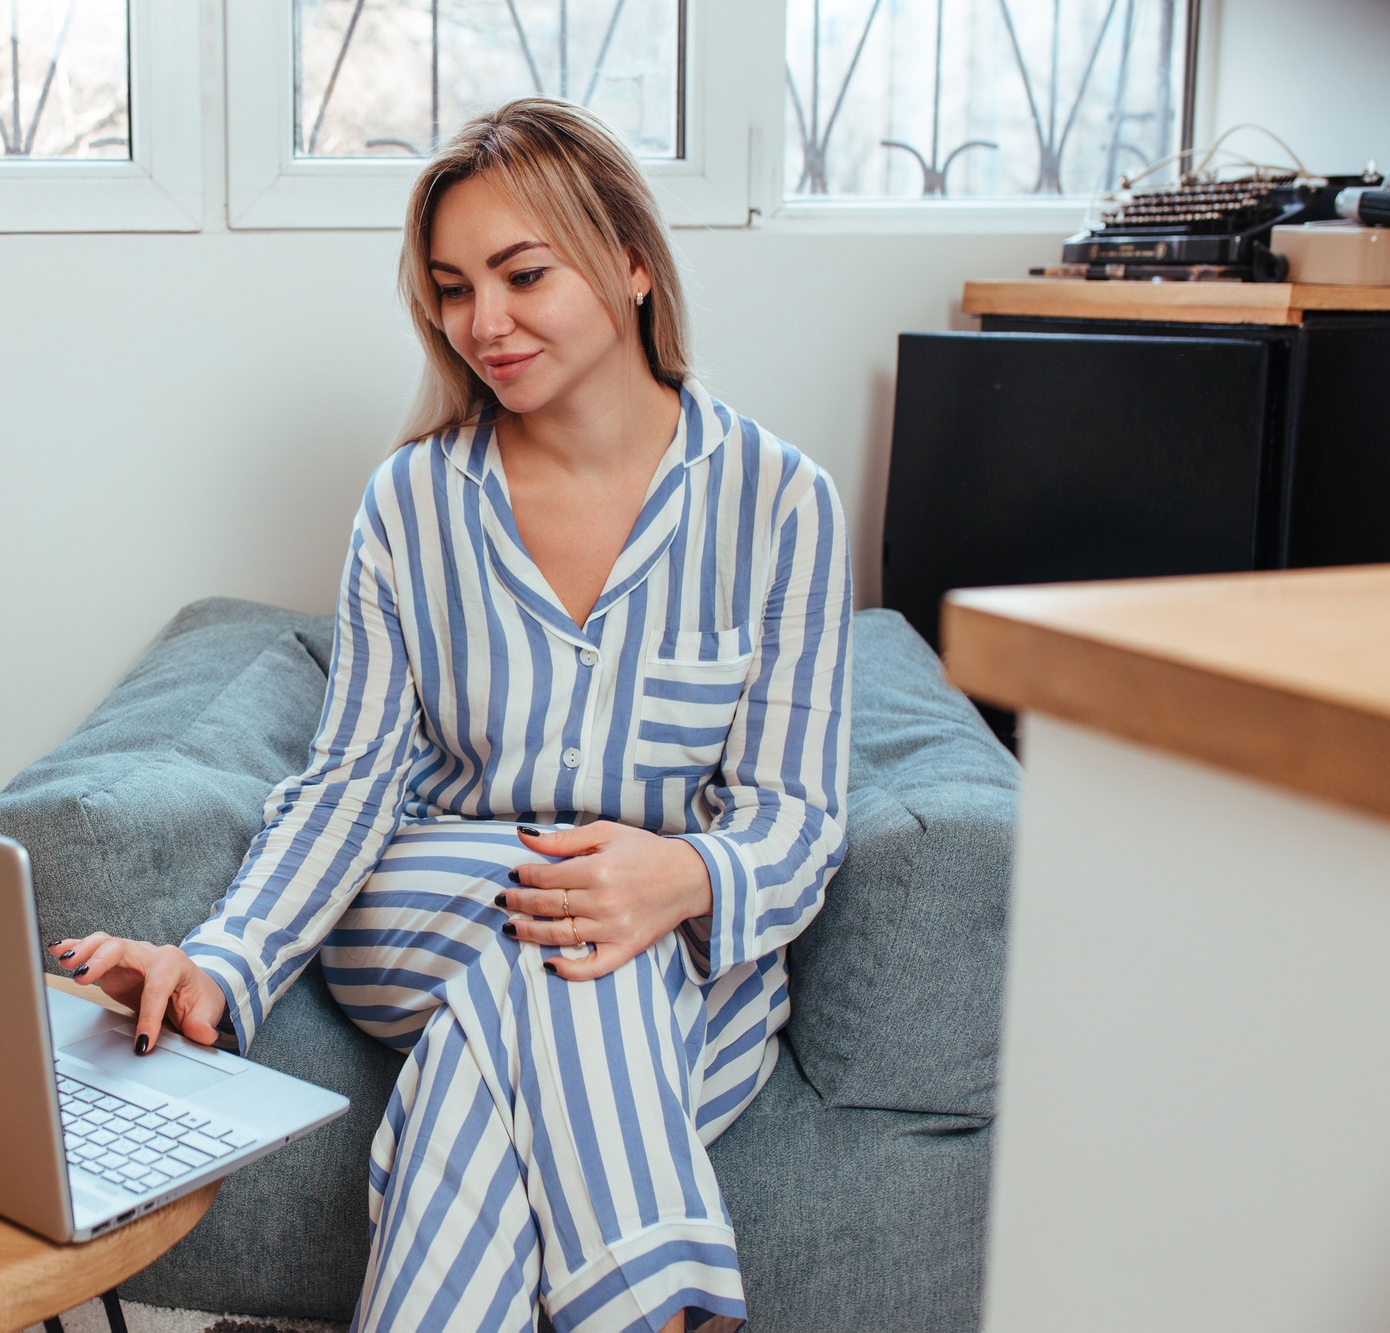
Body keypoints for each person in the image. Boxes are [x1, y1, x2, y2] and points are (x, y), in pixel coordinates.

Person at [47, 98, 851, 1333]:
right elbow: (353, 778)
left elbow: (793, 816)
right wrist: (222, 959)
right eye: (451, 287)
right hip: (427, 901)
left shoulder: (781, 501)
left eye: (521, 274)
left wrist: (681, 872)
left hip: (682, 953)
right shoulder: (413, 504)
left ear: (631, 263)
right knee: (562, 926)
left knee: (537, 1016)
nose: (483, 322)